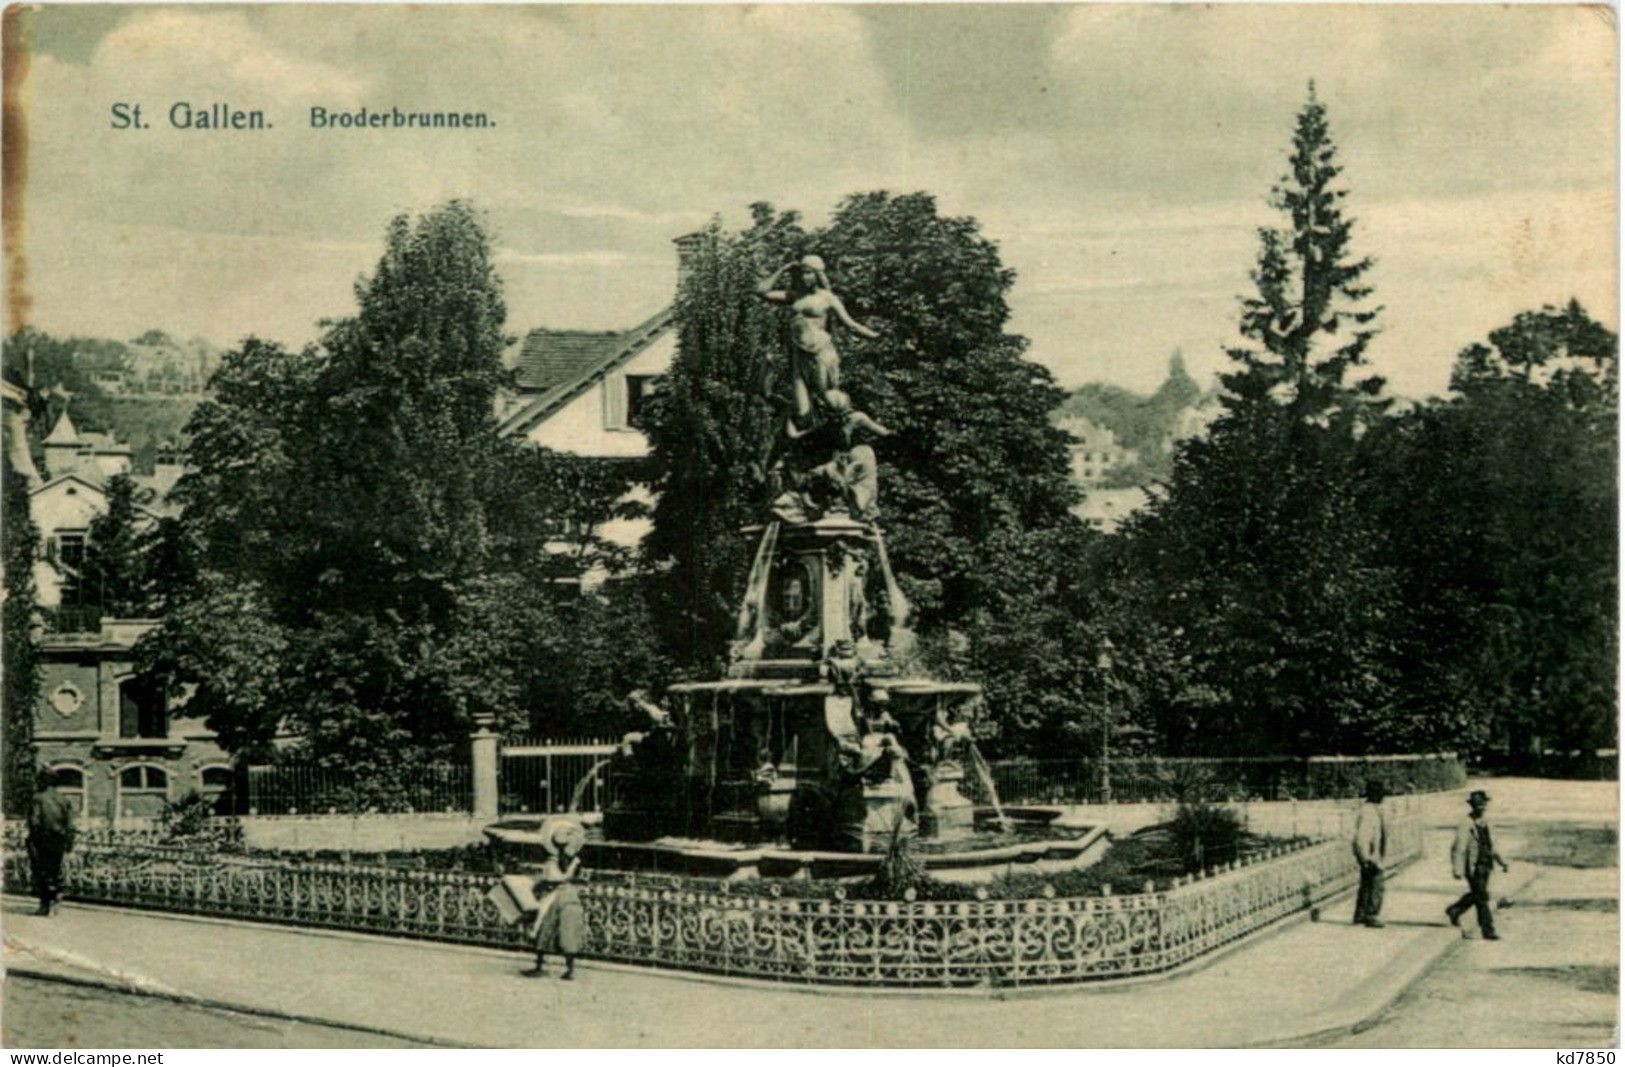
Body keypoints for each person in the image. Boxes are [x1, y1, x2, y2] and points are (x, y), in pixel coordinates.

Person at [757, 255, 879, 428]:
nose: (803, 277)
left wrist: (875, 336)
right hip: (799, 357)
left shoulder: (827, 298)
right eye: (801, 273)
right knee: (802, 412)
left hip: (821, 354)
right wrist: (783, 269)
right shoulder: (793, 296)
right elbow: (761, 291)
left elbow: (851, 324)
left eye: (808, 273)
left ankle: (846, 434)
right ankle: (811, 440)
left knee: (831, 401)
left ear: (817, 275)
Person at [523, 816, 588, 979]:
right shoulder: (573, 859)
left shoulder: (556, 858)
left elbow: (553, 879)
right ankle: (569, 969)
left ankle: (540, 965)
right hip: (569, 895)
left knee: (544, 927)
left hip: (556, 896)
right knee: (567, 931)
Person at [1447, 789, 1509, 940]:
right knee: (1482, 897)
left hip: (1486, 864)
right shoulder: (1466, 824)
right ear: (1472, 806)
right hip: (1473, 866)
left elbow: (1493, 845)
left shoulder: (1488, 823)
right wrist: (1457, 869)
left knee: (1478, 894)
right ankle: (1488, 929)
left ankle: (1455, 910)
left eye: (1482, 804)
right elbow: (1458, 848)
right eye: (1477, 804)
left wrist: (1502, 862)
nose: (1480, 807)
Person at [27, 767, 77, 916]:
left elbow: (34, 821)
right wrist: (69, 842)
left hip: (42, 840)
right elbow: (70, 824)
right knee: (55, 871)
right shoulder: (63, 800)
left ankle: (44, 905)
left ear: (43, 781)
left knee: (42, 872)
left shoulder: (38, 798)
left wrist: (32, 838)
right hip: (59, 840)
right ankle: (56, 902)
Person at [1350, 780, 1388, 928]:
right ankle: (1371, 914)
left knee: (1366, 884)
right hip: (1371, 856)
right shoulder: (1368, 812)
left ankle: (1360, 914)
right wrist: (1367, 857)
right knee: (1376, 884)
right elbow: (1362, 837)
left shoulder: (1373, 809)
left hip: (1371, 854)